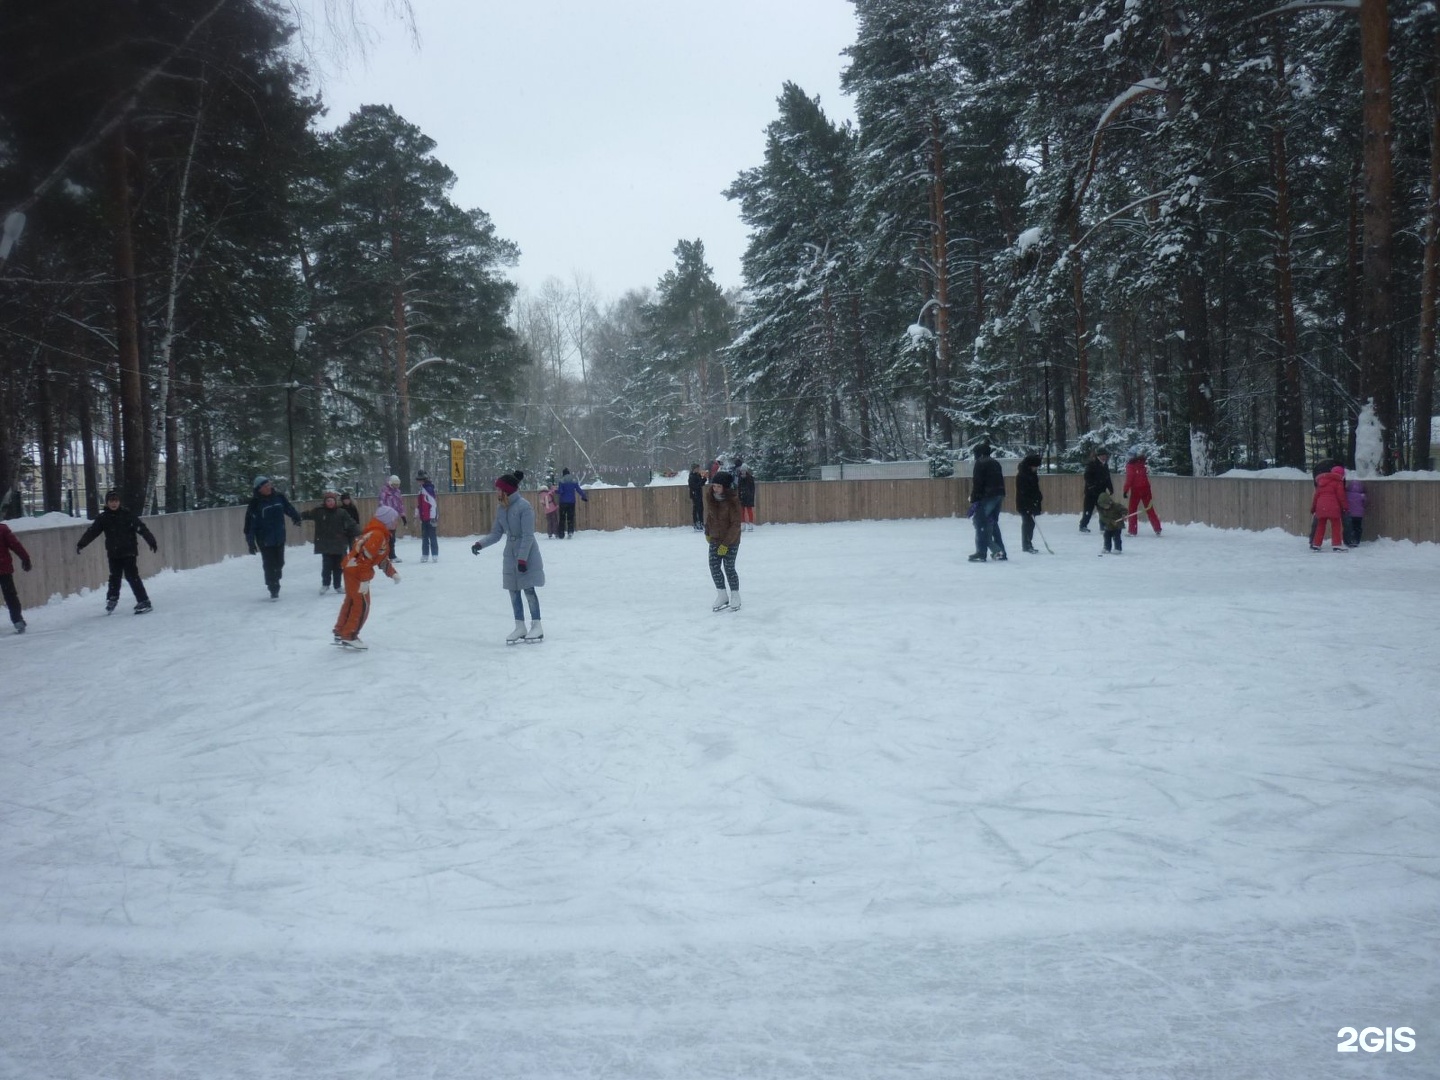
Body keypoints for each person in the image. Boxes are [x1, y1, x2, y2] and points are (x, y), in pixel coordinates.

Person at [471, 470, 545, 643]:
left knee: (528, 589)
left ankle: (537, 625)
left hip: (526, 552)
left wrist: (522, 558)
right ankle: (520, 626)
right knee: (513, 590)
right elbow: (496, 534)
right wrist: (480, 544)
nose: (496, 492)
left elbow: (528, 535)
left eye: (498, 489)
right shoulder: (502, 508)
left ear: (507, 491)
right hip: (510, 554)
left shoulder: (524, 506)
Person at [76, 489, 157, 613]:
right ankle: (112, 598)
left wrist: (151, 540)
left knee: (132, 576)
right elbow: (92, 532)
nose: (114, 504)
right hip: (114, 553)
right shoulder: (103, 518)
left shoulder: (127, 515)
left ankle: (144, 600)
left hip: (129, 551)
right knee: (114, 576)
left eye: (116, 501)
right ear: (107, 503)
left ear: (119, 502)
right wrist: (82, 544)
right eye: (111, 501)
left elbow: (141, 528)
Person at [333, 504, 401, 650]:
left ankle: (341, 630)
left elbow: (379, 558)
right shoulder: (377, 534)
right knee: (362, 604)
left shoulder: (377, 533)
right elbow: (364, 559)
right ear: (386, 520)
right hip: (357, 571)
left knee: (351, 601)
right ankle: (349, 635)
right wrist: (364, 579)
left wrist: (392, 573)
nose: (396, 522)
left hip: (351, 569)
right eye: (394, 519)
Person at [244, 475, 302, 599]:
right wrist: (251, 542)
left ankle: (274, 579)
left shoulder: (279, 497)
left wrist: (296, 517)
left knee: (280, 563)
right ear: (259, 489)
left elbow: (288, 508)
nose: (269, 487)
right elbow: (249, 525)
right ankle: (273, 588)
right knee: (270, 565)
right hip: (265, 540)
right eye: (266, 486)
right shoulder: (255, 504)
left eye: (269, 484)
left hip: (279, 537)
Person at [300, 490, 359, 594]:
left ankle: (338, 586)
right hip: (325, 544)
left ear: (335, 502)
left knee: (338, 567)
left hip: (339, 544)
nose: (330, 503)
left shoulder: (341, 512)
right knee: (326, 566)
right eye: (328, 501)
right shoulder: (319, 511)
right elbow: (308, 514)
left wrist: (359, 532)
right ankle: (325, 584)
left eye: (332, 501)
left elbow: (351, 523)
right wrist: (297, 516)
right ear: (325, 502)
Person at [703, 470, 744, 611]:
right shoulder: (711, 498)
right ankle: (722, 594)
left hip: (731, 540)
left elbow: (736, 525)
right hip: (715, 538)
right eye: (714, 486)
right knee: (714, 566)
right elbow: (709, 517)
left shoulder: (733, 501)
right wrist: (707, 532)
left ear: (725, 487)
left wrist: (726, 544)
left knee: (729, 567)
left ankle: (735, 595)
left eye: (719, 486)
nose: (715, 489)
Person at [967, 443, 1008, 562]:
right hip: (999, 494)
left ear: (978, 453)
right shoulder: (995, 462)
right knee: (993, 523)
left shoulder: (980, 463)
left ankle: (981, 552)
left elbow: (978, 483)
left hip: (988, 495)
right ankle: (1001, 552)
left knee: (979, 522)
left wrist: (975, 499)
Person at [0, 520, 33, 632]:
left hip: (3, 568)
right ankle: (18, 621)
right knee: (10, 596)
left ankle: (18, 620)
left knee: (10, 595)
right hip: (3, 569)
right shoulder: (2, 529)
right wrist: (25, 558)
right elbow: (15, 545)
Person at [1123, 448, 1162, 536]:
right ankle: (1157, 528)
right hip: (1146, 488)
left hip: (1136, 489)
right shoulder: (1141, 463)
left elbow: (1129, 479)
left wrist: (1125, 490)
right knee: (1149, 508)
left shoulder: (1130, 465)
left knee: (1132, 509)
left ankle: (1132, 530)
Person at [1311, 464, 1349, 552]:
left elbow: (1316, 496)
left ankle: (1316, 544)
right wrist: (1345, 507)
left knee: (1320, 526)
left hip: (1320, 507)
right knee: (1336, 526)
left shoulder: (1321, 482)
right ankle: (1336, 544)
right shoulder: (1338, 482)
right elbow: (1341, 497)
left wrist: (1313, 508)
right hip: (1333, 507)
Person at [1079, 448, 1112, 532]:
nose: (1104, 457)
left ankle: (1103, 525)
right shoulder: (1092, 464)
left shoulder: (1105, 465)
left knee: (1103, 509)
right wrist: (1091, 486)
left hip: (1101, 492)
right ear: (1099, 456)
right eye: (1103, 455)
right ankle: (1083, 525)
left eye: (1105, 455)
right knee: (1088, 510)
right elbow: (1087, 476)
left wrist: (1110, 487)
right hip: (1091, 492)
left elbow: (1107, 478)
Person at [1016, 452, 1044, 553]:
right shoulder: (1022, 475)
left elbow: (1035, 489)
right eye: (1035, 466)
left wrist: (1038, 498)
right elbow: (1023, 492)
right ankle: (1026, 544)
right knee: (1027, 523)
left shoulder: (1032, 474)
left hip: (1033, 502)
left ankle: (1028, 543)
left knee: (1031, 523)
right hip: (1025, 504)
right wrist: (1028, 505)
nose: (1036, 468)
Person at [379, 474, 406, 561]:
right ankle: (383, 555)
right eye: (395, 484)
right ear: (391, 483)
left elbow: (400, 505)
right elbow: (381, 503)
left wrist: (403, 516)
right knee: (385, 537)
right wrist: (385, 514)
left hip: (393, 518)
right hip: (386, 517)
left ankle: (392, 555)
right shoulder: (385, 492)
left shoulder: (397, 492)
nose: (396, 486)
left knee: (392, 537)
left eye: (398, 484)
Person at [555, 467, 587, 538]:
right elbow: (578, 489)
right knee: (570, 518)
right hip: (571, 502)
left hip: (563, 502)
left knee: (562, 518)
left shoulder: (561, 480)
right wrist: (583, 496)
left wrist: (555, 491)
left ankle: (561, 534)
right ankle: (570, 532)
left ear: (563, 474)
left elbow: (561, 491)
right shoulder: (574, 480)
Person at [416, 470, 440, 562]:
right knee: (425, 537)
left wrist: (433, 518)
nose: (418, 481)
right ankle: (425, 554)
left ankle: (434, 554)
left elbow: (433, 504)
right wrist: (418, 512)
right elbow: (421, 503)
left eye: (420, 480)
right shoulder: (421, 489)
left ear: (424, 480)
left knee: (432, 536)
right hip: (424, 516)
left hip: (430, 517)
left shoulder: (428, 489)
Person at [1096, 490, 1126, 555]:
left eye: (1106, 505)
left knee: (1116, 537)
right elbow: (1102, 518)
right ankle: (1107, 548)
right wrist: (1110, 521)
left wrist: (1124, 514)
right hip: (1108, 526)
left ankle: (1118, 548)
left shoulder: (1116, 506)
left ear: (1110, 502)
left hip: (1117, 526)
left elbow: (1124, 509)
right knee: (1106, 536)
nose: (1105, 507)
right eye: (1103, 506)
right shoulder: (1101, 510)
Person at [1345, 476, 1367, 547]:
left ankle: (1349, 540)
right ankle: (1357, 540)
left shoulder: (1347, 495)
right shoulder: (1362, 495)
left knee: (1350, 527)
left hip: (1349, 514)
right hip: (1359, 515)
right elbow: (1365, 504)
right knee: (1358, 527)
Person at [687, 463, 706, 531]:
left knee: (700, 508)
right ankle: (697, 524)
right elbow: (695, 486)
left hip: (698, 494)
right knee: (697, 509)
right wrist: (702, 481)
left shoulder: (697, 475)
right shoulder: (691, 476)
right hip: (695, 494)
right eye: (697, 468)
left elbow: (700, 484)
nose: (698, 469)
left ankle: (701, 523)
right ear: (694, 469)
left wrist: (704, 479)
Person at [737, 466, 757, 531]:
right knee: (741, 511)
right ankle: (743, 524)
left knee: (749, 511)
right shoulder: (739, 478)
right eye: (742, 471)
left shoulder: (750, 478)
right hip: (741, 496)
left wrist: (751, 495)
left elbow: (752, 488)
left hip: (748, 496)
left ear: (746, 471)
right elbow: (738, 487)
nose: (743, 472)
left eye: (744, 470)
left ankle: (750, 525)